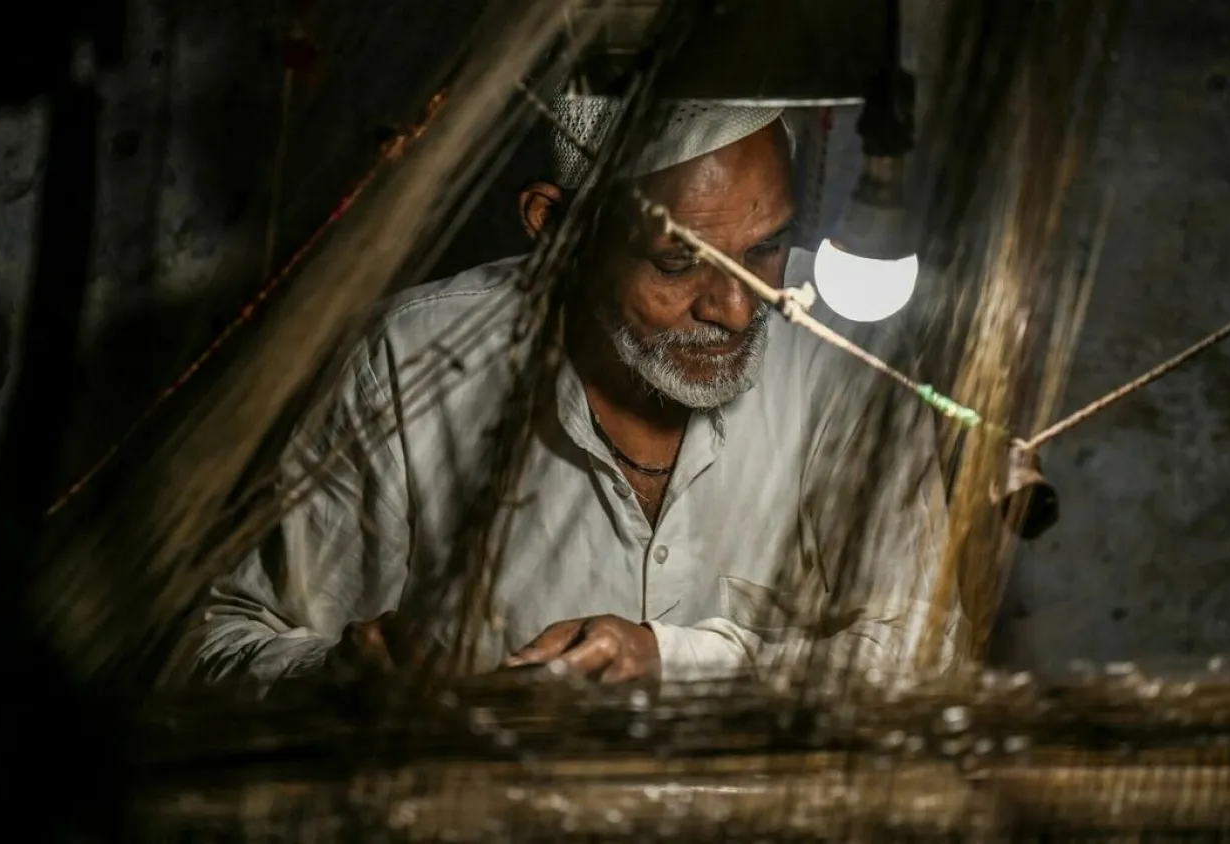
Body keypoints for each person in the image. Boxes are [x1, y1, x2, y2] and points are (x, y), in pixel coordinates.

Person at [189, 95, 957, 691]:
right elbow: (222, 643)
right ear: (554, 228)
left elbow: (923, 658)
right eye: (674, 264)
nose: (736, 308)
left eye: (765, 249)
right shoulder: (411, 361)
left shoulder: (846, 361)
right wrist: (334, 675)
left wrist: (672, 664)